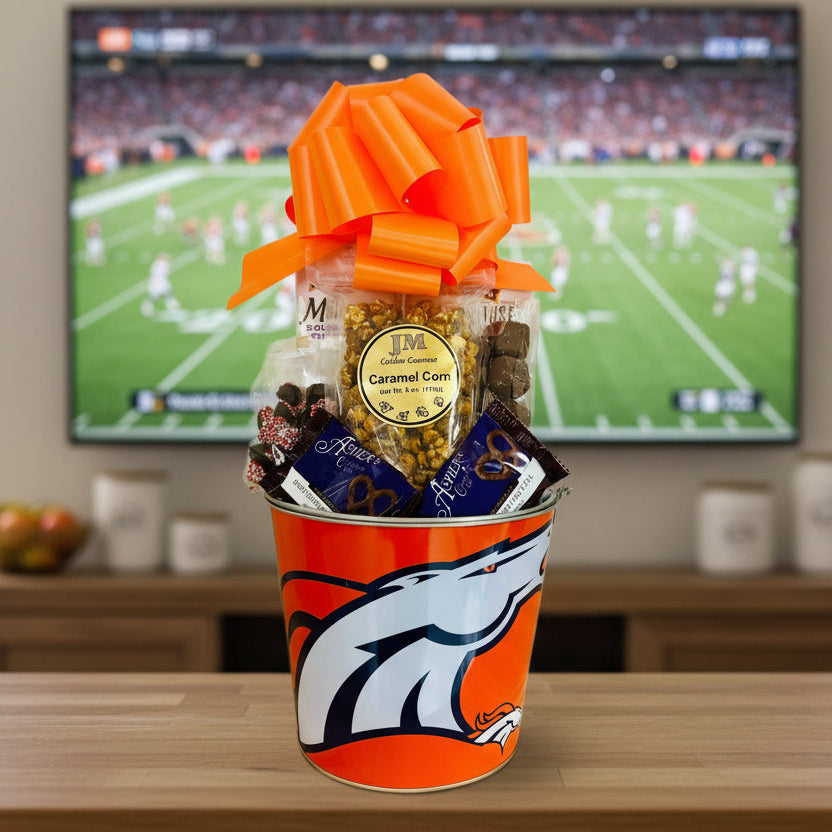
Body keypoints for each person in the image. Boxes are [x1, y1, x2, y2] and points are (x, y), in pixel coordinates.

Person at [141, 253, 180, 317]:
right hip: (158, 283)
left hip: (161, 282)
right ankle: (147, 307)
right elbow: (159, 274)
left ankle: (172, 305)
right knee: (154, 296)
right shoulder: (160, 265)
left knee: (168, 293)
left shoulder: (159, 264)